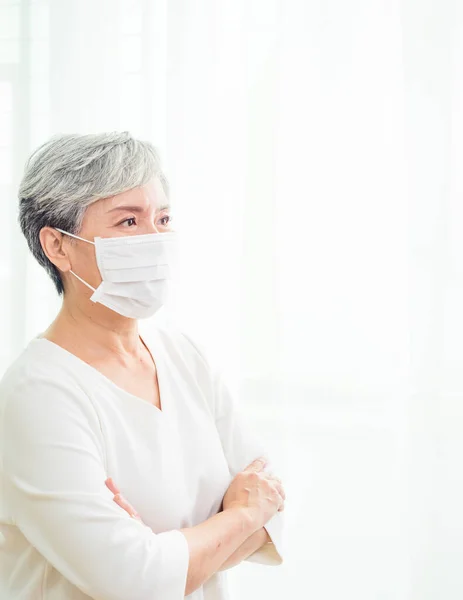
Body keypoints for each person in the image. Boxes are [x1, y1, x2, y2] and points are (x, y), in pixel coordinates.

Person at [0, 132, 286, 600]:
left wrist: (163, 553)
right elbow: (134, 582)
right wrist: (239, 516)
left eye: (163, 218)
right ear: (58, 246)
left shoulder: (184, 356)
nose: (155, 240)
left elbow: (274, 505)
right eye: (128, 222)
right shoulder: (39, 394)